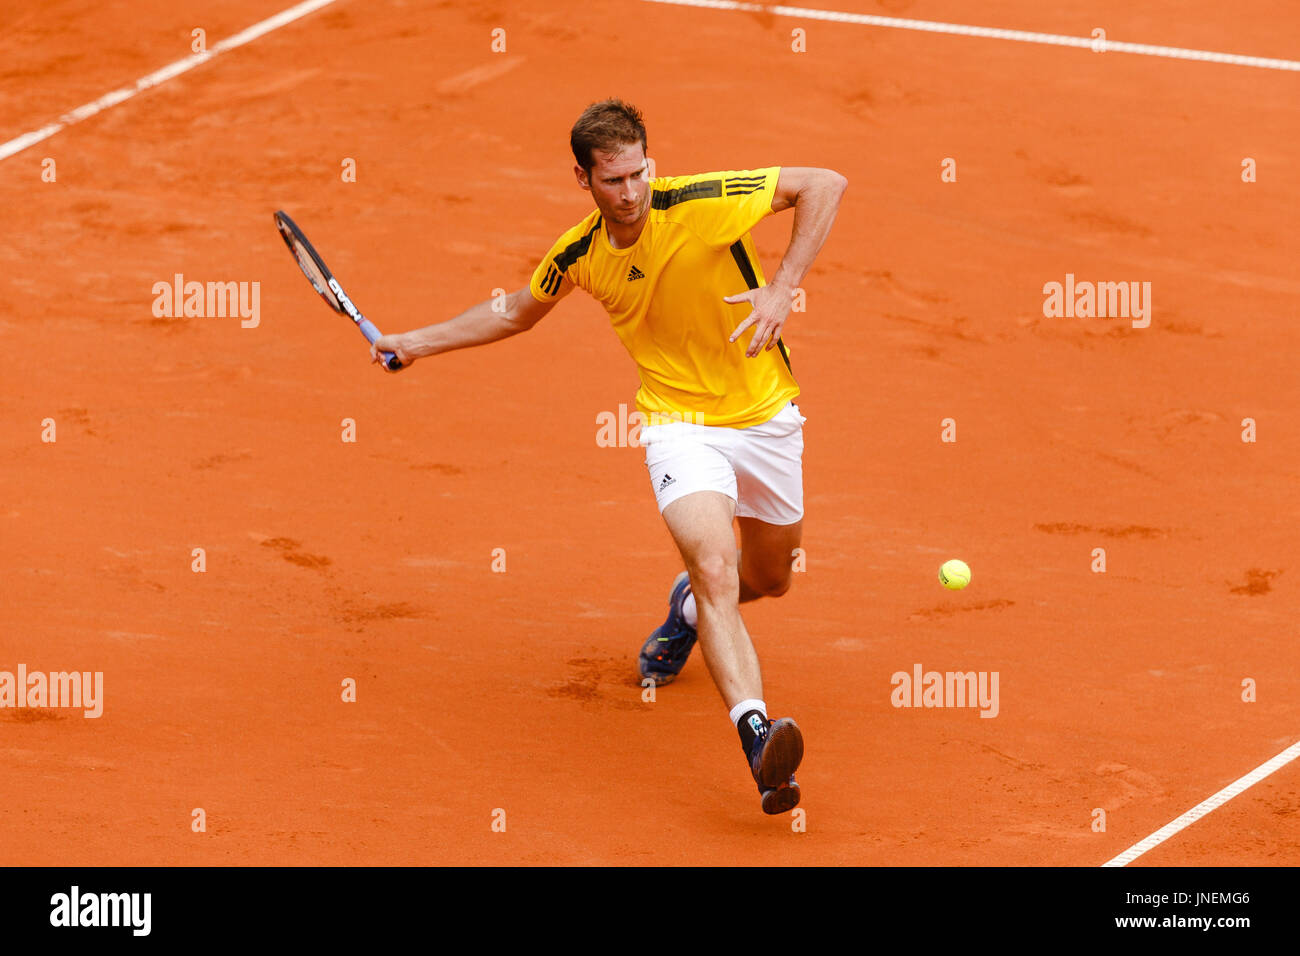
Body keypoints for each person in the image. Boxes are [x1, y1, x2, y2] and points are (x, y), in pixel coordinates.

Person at [372, 98, 846, 814]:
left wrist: (783, 289)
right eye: (613, 181)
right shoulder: (580, 254)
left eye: (638, 174)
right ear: (582, 179)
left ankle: (686, 616)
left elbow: (826, 183)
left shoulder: (702, 201)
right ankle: (757, 735)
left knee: (770, 578)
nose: (630, 193)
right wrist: (413, 342)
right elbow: (513, 312)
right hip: (676, 424)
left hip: (766, 417)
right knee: (714, 564)